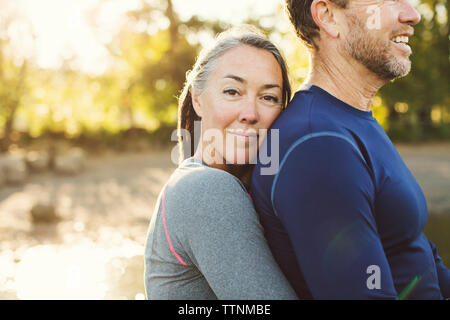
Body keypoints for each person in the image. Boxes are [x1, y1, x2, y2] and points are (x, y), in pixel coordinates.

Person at [251, 0, 450, 299]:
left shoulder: (350, 120)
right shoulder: (317, 144)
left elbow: (418, 258)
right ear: (329, 17)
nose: (412, 14)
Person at [144, 26, 298, 300]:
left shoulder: (212, 184)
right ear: (198, 100)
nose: (250, 113)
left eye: (268, 97)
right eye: (232, 91)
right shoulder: (205, 189)